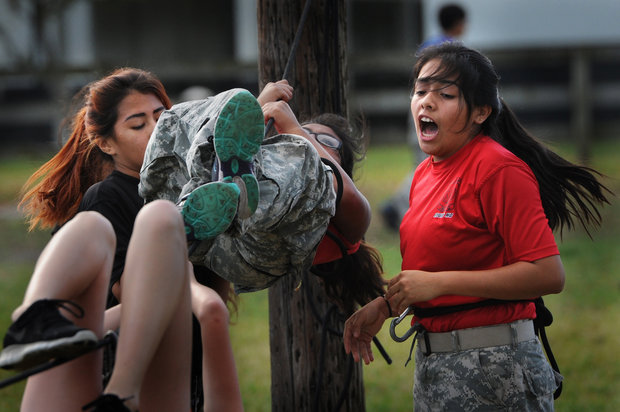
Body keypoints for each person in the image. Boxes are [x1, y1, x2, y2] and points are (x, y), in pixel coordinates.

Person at [343, 43, 610, 411]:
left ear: (481, 112)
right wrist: (387, 306)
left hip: (496, 369)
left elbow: (548, 274)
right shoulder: (423, 175)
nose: (426, 102)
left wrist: (439, 283)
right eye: (420, 91)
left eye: (445, 95)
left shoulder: (499, 170)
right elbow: (433, 271)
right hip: (433, 367)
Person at [2, 68, 239, 412]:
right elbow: (133, 292)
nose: (156, 130)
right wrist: (190, 288)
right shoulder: (109, 197)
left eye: (162, 118)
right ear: (106, 143)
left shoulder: (194, 192)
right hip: (117, 355)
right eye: (138, 125)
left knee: (161, 217)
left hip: (179, 364)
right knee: (126, 222)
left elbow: (216, 303)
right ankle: (33, 319)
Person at [140, 79, 385, 309]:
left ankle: (235, 196)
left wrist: (294, 128)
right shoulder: (274, 160)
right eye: (307, 132)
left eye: (326, 141)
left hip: (255, 253)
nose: (309, 137)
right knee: (236, 97)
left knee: (308, 162)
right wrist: (254, 109)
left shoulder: (353, 221)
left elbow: (344, 191)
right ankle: (186, 211)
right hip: (202, 233)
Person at [381, 3, 468, 232]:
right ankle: (400, 209)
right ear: (458, 23)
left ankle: (400, 207)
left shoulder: (429, 46)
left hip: (419, 111)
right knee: (430, 165)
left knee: (427, 164)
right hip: (435, 116)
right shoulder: (453, 51)